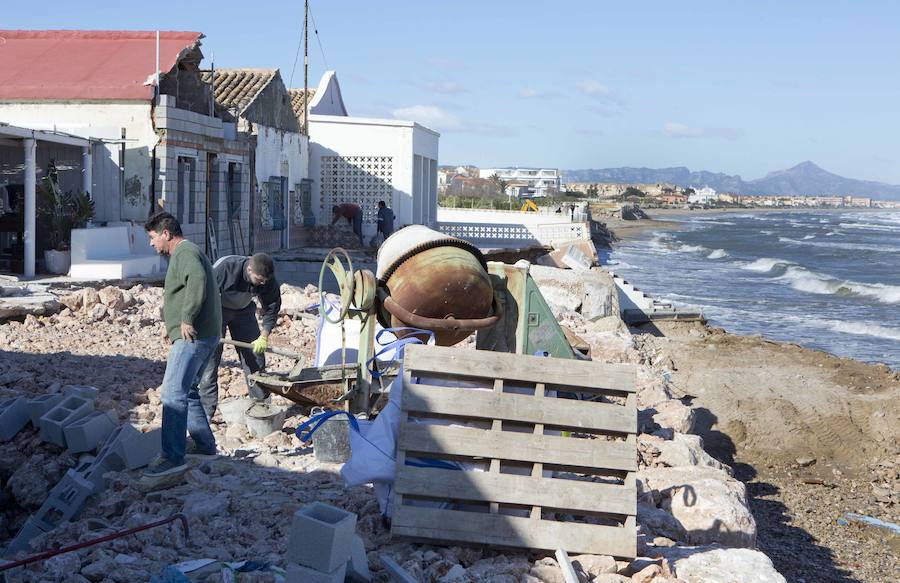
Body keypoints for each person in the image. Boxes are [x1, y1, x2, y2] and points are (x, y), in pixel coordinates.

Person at [143, 212, 222, 478]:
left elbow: (196, 281)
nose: (152, 244)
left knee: (172, 394)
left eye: (153, 238)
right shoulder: (186, 252)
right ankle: (205, 445)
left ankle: (172, 457)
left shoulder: (184, 252)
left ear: (166, 234)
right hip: (201, 334)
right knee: (188, 391)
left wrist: (186, 319)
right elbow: (184, 289)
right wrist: (173, 327)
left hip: (195, 335)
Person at [197, 253, 281, 419]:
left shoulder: (267, 279)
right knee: (210, 360)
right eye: (259, 279)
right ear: (249, 270)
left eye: (265, 280)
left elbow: (272, 307)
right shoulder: (225, 269)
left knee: (255, 357)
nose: (262, 283)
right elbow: (202, 297)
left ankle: (260, 407)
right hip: (217, 310)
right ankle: (205, 414)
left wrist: (264, 336)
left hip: (244, 310)